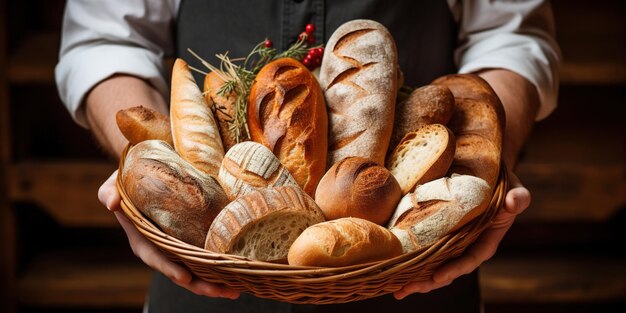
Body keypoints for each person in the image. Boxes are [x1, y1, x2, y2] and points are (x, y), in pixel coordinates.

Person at [55, 1, 560, 312]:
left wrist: (492, 165)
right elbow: (105, 42)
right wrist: (148, 182)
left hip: (420, 280)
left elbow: (510, 37)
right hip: (206, 283)